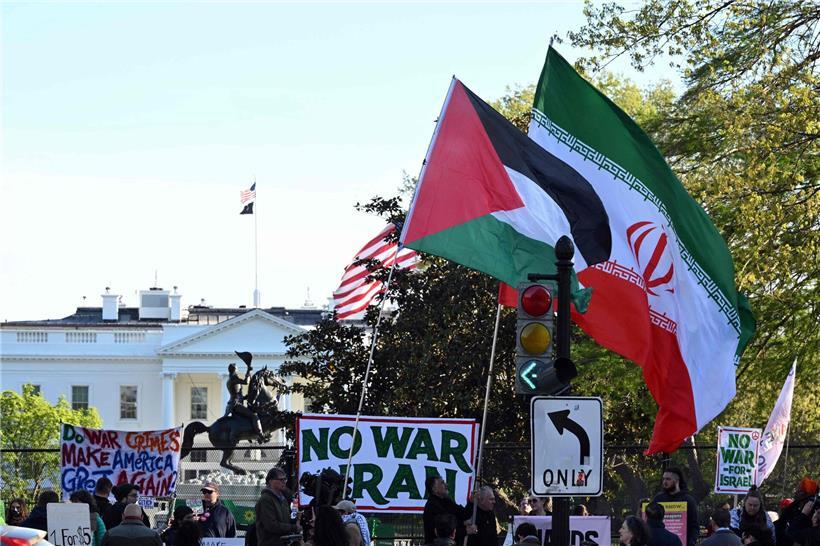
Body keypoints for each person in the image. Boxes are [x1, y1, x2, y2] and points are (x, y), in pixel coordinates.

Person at [652, 467, 699, 546]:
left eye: (668, 479)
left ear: (677, 480)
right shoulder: (658, 498)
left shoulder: (688, 500)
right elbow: (651, 521)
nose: (664, 482)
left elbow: (694, 526)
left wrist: (691, 542)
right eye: (663, 479)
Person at [256, 467, 300, 546]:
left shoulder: (283, 497)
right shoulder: (265, 499)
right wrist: (294, 527)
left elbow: (286, 519)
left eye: (285, 479)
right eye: (281, 479)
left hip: (283, 542)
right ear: (270, 481)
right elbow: (271, 525)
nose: (284, 482)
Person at [224, 358, 264, 442]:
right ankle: (261, 435)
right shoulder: (233, 379)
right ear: (234, 370)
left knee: (247, 417)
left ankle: (249, 434)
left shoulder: (231, 379)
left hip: (234, 403)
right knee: (254, 415)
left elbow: (236, 393)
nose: (237, 371)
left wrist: (245, 397)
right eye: (237, 369)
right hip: (236, 404)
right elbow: (246, 382)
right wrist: (248, 371)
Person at [423, 475, 467, 545]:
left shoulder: (447, 501)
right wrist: (465, 530)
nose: (446, 485)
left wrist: (471, 502)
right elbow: (446, 528)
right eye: (442, 483)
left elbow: (463, 514)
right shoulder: (432, 506)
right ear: (434, 489)